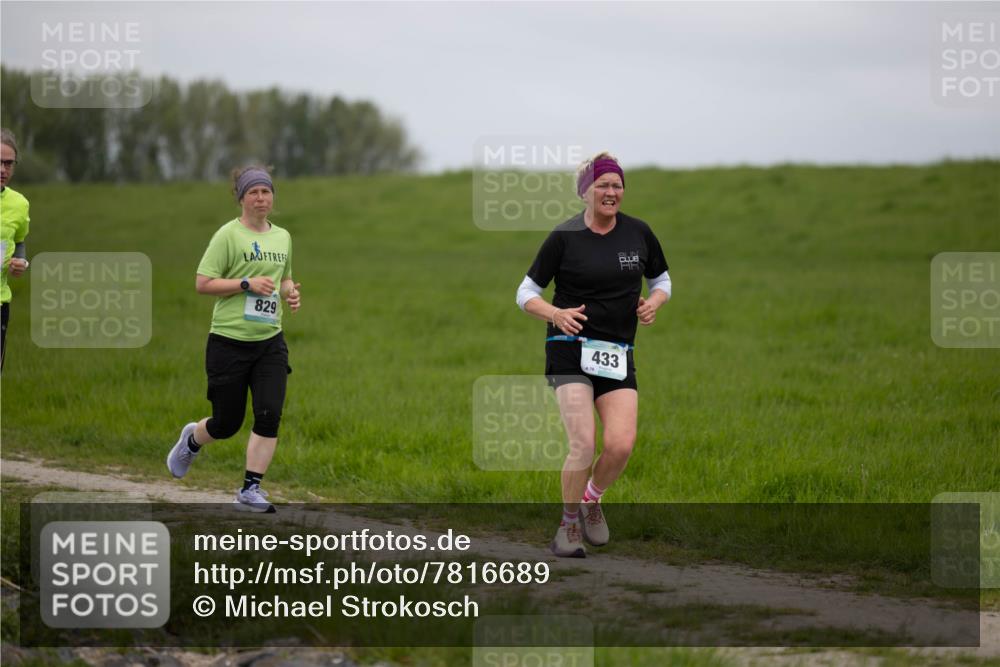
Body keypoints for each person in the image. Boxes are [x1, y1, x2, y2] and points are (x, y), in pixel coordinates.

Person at [516, 152, 671, 557]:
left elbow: (662, 280)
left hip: (616, 352)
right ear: (585, 192)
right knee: (583, 443)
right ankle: (567, 527)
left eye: (617, 185)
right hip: (568, 351)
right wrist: (555, 314)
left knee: (620, 445)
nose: (611, 191)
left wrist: (654, 303)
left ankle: (591, 500)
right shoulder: (564, 237)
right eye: (603, 185)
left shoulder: (639, 233)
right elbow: (525, 293)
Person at [167, 166, 301, 513]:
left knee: (269, 414)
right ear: (241, 198)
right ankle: (192, 440)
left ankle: (249, 490)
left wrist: (290, 293)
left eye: (266, 192)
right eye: (253, 192)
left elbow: (284, 279)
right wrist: (246, 283)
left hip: (270, 341)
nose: (261, 198)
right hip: (229, 341)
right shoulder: (228, 235)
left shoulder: (283, 237)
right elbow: (203, 283)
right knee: (227, 423)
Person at [0, 129, 31, 372]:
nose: (3, 169)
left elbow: (19, 242)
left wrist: (21, 261)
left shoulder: (19, 204)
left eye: (8, 163)